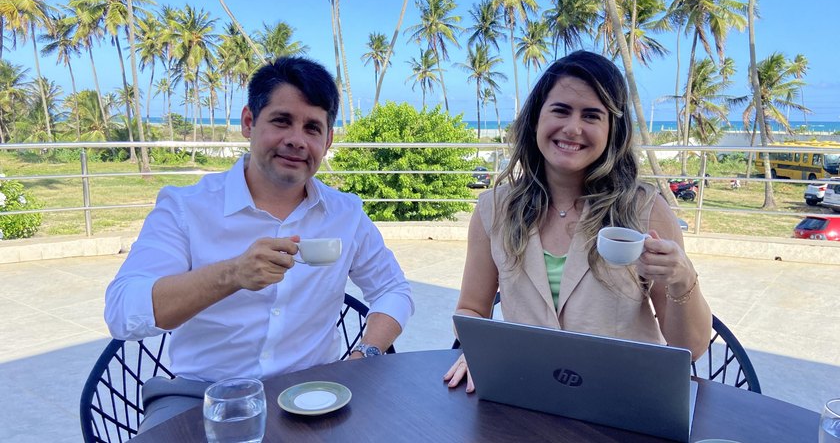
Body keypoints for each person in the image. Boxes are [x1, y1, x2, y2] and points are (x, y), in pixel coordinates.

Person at [105, 56, 414, 428]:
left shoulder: (345, 214)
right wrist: (233, 274)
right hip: (201, 397)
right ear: (249, 122)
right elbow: (123, 312)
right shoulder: (186, 207)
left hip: (313, 394)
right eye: (281, 121)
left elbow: (394, 289)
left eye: (312, 128)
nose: (296, 140)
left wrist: (364, 354)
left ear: (328, 141)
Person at [444, 51, 711, 393]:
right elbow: (471, 309)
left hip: (624, 398)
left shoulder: (646, 209)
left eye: (591, 115)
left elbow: (690, 347)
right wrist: (477, 351)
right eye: (560, 110)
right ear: (536, 119)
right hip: (529, 394)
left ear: (612, 130)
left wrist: (681, 277)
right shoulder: (494, 209)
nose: (573, 128)